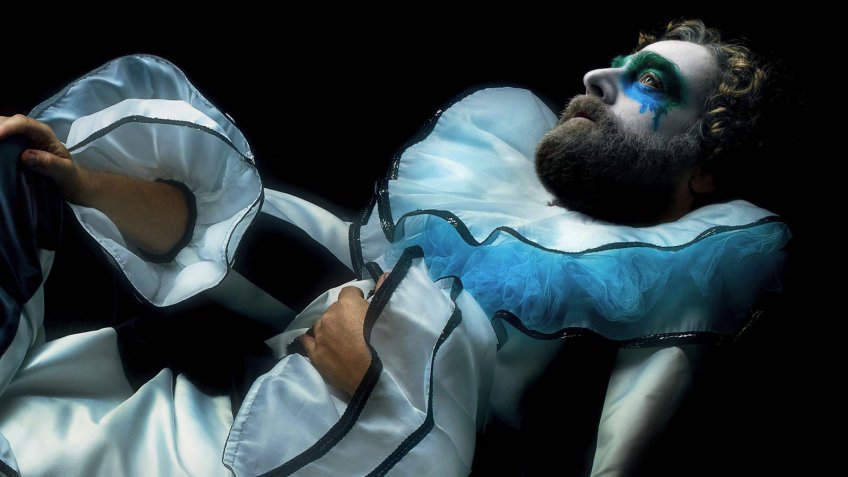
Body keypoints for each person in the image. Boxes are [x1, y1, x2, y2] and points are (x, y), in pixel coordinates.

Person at [0, 18, 790, 476]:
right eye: (616, 63)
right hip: (210, 417)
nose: (596, 77)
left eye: (649, 82)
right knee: (18, 168)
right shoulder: (484, 180)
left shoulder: (680, 295)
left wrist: (384, 393)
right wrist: (87, 184)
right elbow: (287, 256)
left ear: (706, 169)